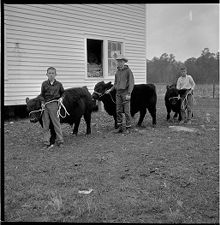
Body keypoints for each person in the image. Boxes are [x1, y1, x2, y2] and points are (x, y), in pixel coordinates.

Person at [106, 55, 134, 133]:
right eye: (118, 61)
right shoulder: (117, 72)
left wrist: (129, 93)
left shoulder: (128, 71)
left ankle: (128, 128)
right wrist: (110, 90)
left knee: (127, 111)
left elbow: (131, 83)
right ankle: (120, 127)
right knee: (118, 110)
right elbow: (115, 83)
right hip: (118, 93)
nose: (119, 63)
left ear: (124, 62)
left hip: (125, 93)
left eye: (121, 61)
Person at [39, 67, 65, 148]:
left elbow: (63, 93)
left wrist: (61, 98)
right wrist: (42, 102)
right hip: (45, 105)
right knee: (45, 124)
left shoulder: (59, 84)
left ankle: (60, 141)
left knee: (56, 123)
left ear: (55, 74)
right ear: (46, 74)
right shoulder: (44, 84)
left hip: (54, 105)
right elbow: (42, 95)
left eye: (52, 73)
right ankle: (46, 142)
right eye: (49, 73)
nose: (51, 75)